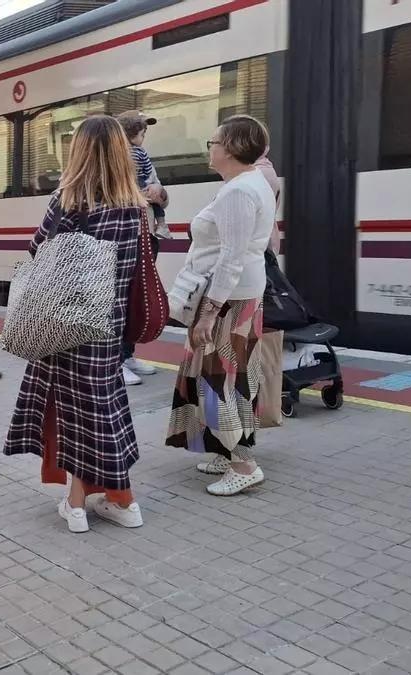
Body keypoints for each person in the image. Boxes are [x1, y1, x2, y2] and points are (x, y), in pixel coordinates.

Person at [2, 115, 147, 533]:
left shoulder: (68, 201)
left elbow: (37, 251)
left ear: (79, 152)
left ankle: (79, 505)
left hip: (64, 324)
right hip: (107, 327)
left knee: (70, 412)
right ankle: (118, 501)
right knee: (101, 409)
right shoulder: (134, 208)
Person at [166, 115, 277, 496]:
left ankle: (244, 465)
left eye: (213, 141)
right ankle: (226, 451)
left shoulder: (238, 192)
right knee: (230, 376)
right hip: (237, 294)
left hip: (227, 299)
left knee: (221, 378)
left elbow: (230, 257)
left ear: (230, 148)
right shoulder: (246, 184)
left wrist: (209, 312)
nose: (209, 148)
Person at [116, 111, 168, 385]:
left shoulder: (141, 155)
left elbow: (159, 190)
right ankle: (117, 361)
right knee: (121, 299)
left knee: (137, 297)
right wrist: (137, 195)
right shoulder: (114, 157)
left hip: (146, 233)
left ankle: (129, 355)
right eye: (141, 130)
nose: (143, 135)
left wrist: (159, 193)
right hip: (127, 235)